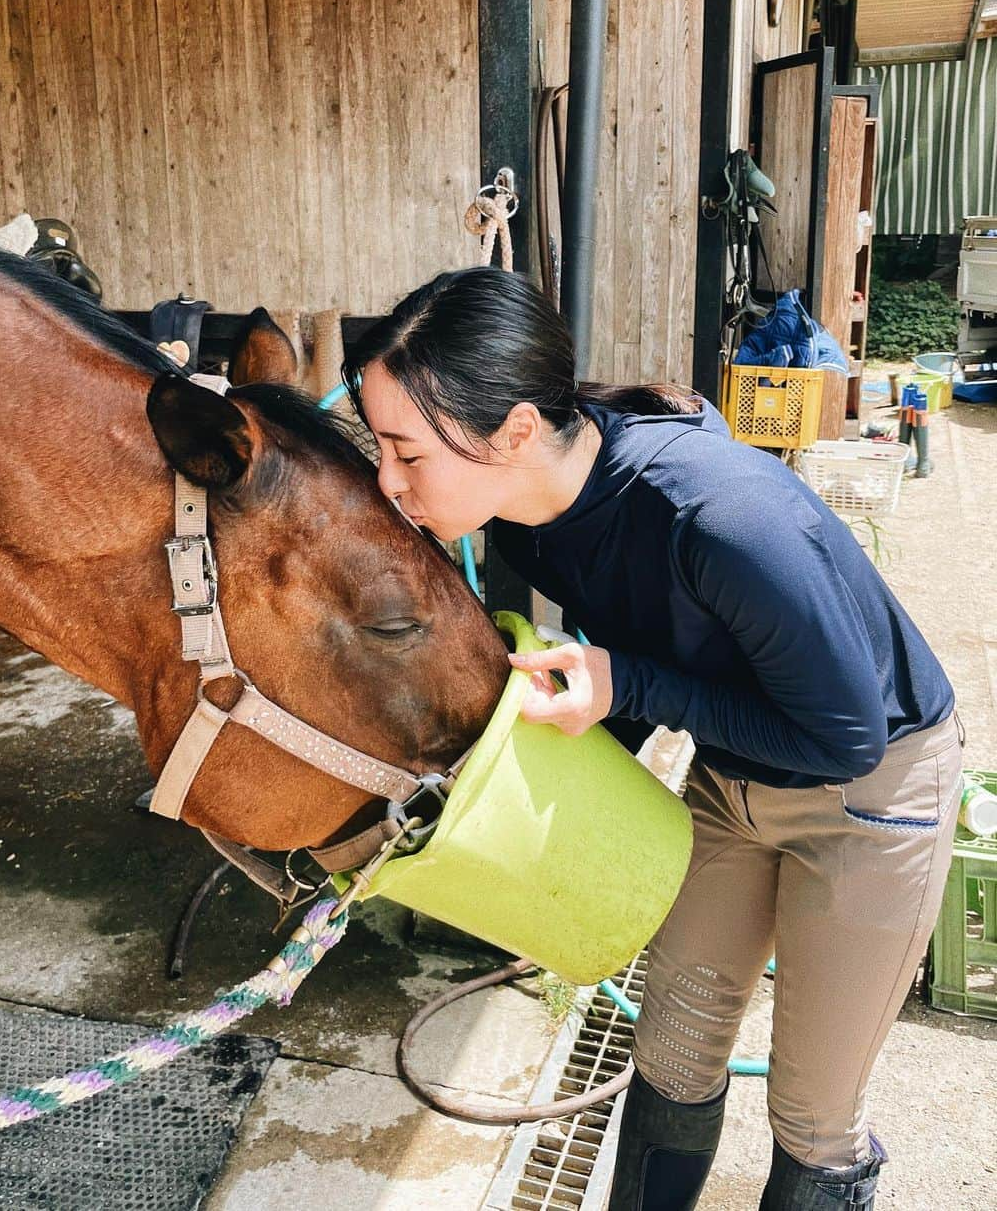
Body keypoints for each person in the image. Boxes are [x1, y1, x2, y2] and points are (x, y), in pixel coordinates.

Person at [342, 266, 964, 1209]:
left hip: (871, 792)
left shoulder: (721, 519)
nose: (389, 485)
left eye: (406, 453)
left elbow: (842, 738)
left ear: (512, 430)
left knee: (811, 1112)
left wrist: (624, 683)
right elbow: (641, 665)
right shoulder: (527, 529)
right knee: (671, 1053)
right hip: (732, 778)